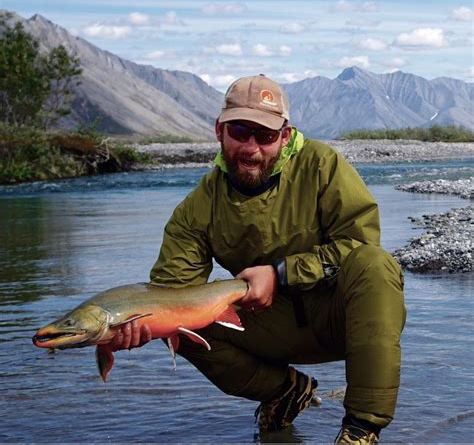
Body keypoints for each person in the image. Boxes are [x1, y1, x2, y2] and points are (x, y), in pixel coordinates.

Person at [111, 74, 406, 444]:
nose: (251, 148)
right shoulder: (199, 206)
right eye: (240, 131)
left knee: (375, 265)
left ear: (285, 136)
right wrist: (142, 323)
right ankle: (283, 390)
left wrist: (279, 274)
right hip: (266, 328)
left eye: (265, 136)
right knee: (176, 324)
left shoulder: (322, 166)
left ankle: (361, 429)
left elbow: (358, 241)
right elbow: (171, 290)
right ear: (219, 131)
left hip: (342, 321)